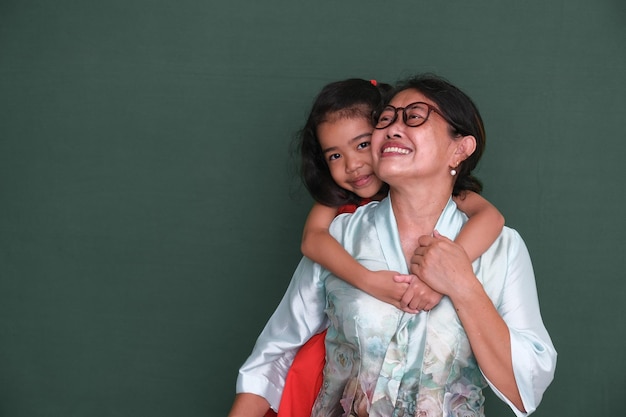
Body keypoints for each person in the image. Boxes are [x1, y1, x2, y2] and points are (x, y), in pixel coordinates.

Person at [230, 74, 556, 417]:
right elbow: (272, 357)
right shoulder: (340, 236)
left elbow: (526, 389)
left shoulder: (501, 250)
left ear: (460, 148)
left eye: (414, 116)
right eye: (386, 119)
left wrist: (462, 285)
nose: (393, 127)